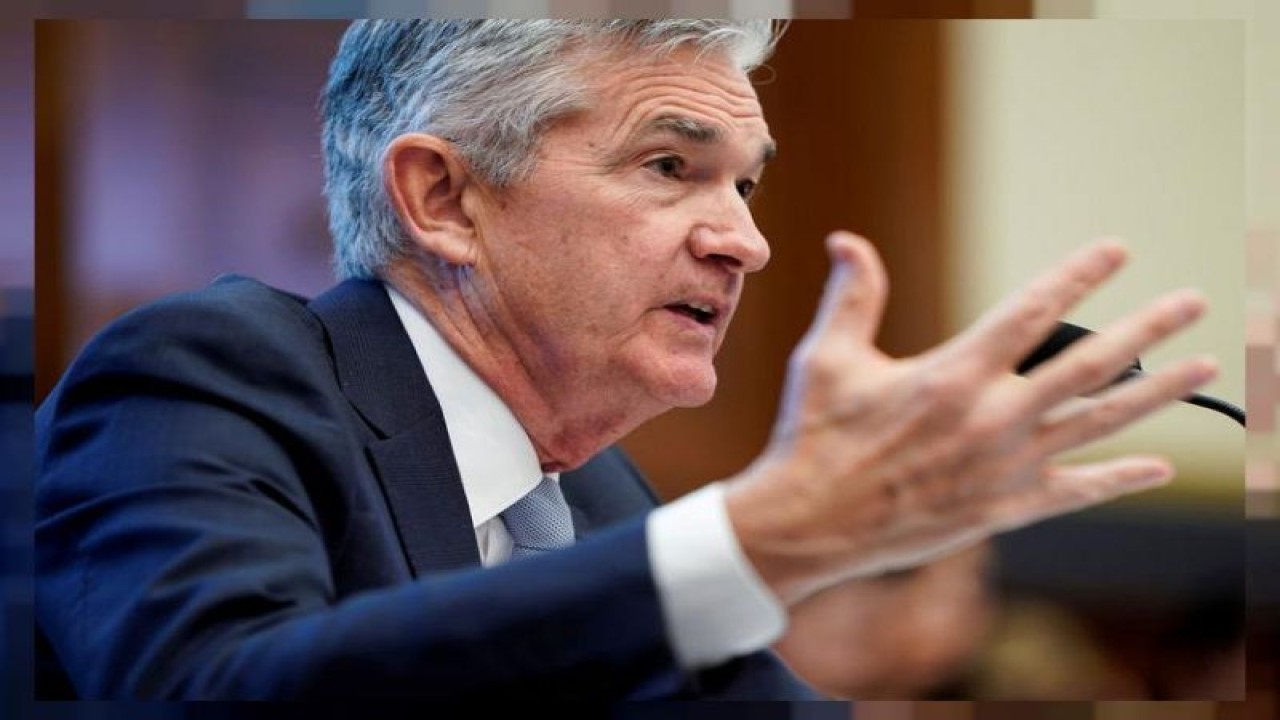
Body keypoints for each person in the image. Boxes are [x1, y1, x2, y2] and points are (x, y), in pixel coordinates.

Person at [34, 19, 1218, 702]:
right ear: (442, 197)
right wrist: (765, 539)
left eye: (744, 182)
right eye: (669, 166)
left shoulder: (599, 503)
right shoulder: (209, 375)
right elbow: (215, 692)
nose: (745, 239)